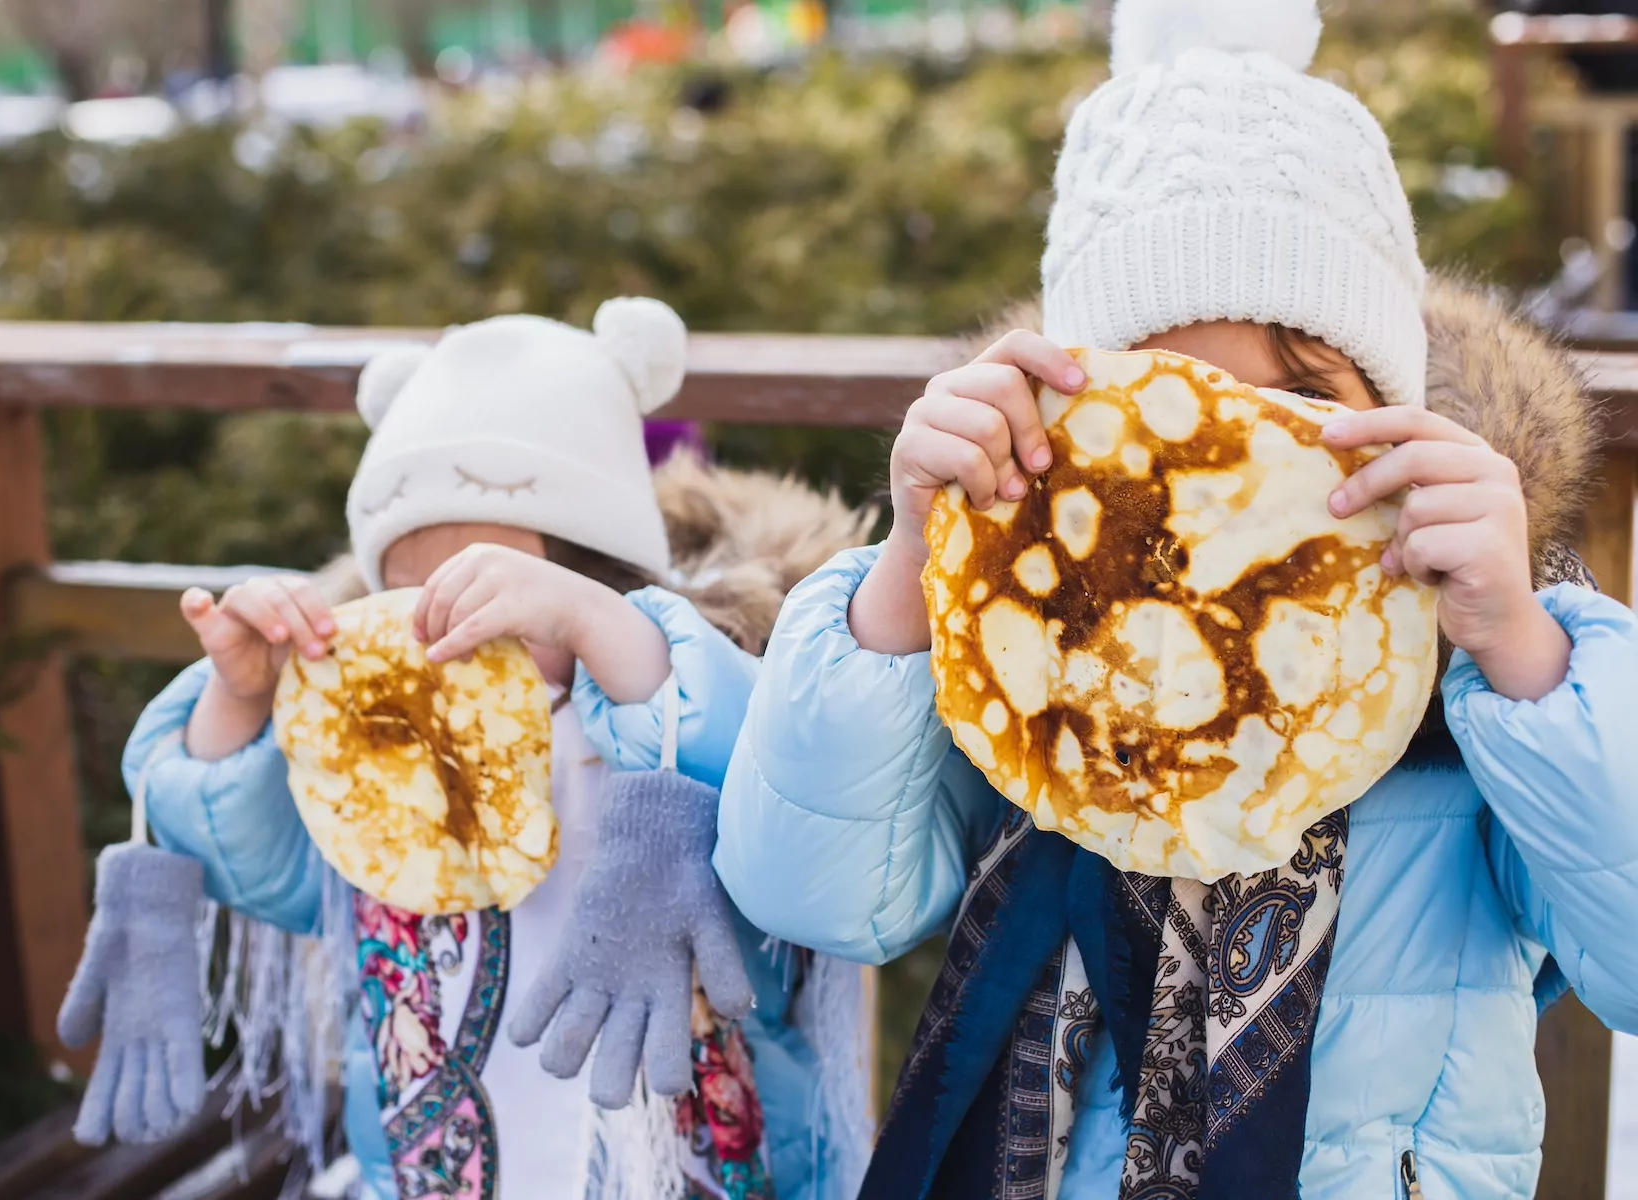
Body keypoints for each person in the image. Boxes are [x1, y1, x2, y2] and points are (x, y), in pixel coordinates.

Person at [714, 1, 1638, 1197]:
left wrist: (1521, 644)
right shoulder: (1029, 661)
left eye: (1299, 388)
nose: (1237, 457)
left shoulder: (1478, 670)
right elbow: (816, 894)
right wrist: (912, 561)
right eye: (1175, 397)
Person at [122, 299, 875, 1200]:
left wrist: (611, 637)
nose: (437, 630)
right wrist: (242, 696)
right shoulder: (380, 755)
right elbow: (252, 864)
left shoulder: (677, 710)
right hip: (434, 1175)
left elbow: (791, 798)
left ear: (601, 577)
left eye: (492, 587)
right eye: (400, 593)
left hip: (700, 1169)